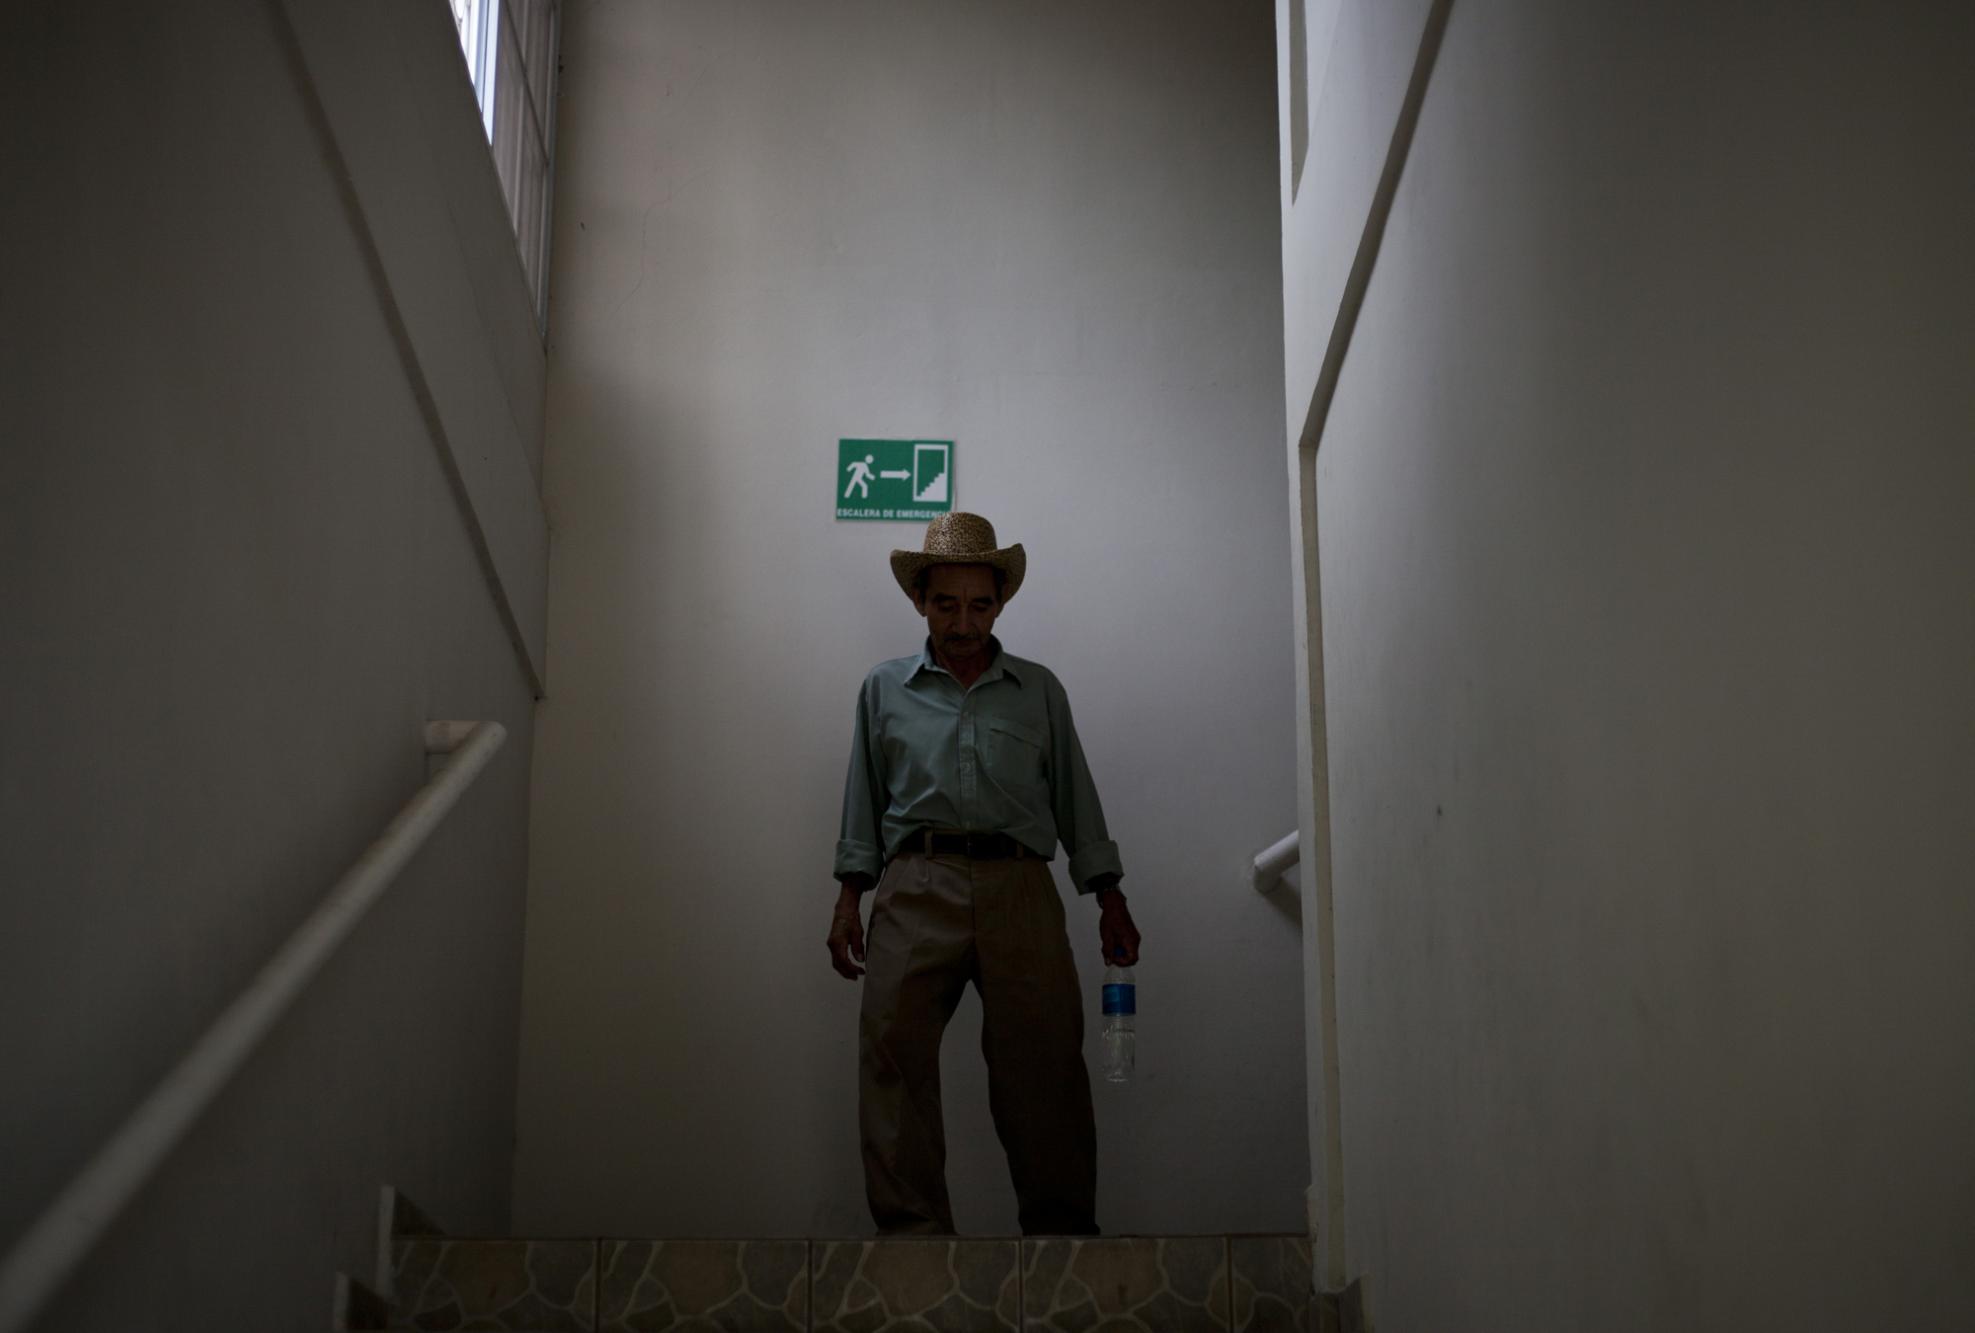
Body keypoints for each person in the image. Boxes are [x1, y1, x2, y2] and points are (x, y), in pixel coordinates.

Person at [827, 511, 1143, 1236]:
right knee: (892, 1058)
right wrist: (849, 899)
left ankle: (1061, 1240)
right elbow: (862, 801)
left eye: (978, 604)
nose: (962, 622)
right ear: (920, 602)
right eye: (946, 604)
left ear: (999, 604)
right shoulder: (883, 689)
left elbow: (1075, 796)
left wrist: (1109, 897)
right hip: (913, 885)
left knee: (1044, 1070)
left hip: (1020, 889)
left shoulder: (1037, 691)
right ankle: (913, 1241)